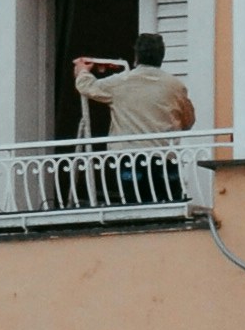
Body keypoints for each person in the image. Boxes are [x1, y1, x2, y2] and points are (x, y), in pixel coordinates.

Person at [72, 31, 197, 207]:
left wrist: (83, 71)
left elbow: (87, 86)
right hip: (165, 160)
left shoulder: (121, 81)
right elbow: (188, 121)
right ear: (161, 57)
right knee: (169, 208)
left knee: (136, 207)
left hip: (132, 159)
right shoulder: (176, 86)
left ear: (136, 56)